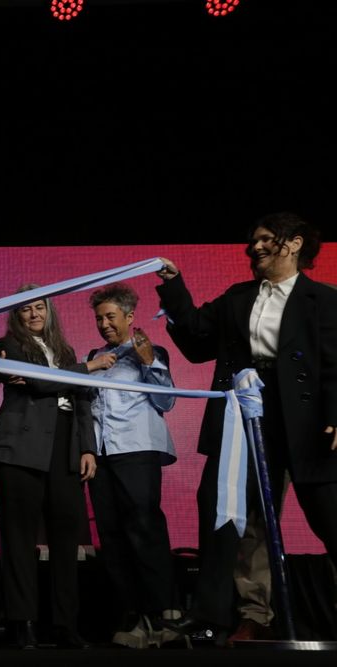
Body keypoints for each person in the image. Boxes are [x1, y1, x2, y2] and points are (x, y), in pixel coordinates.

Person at [157, 212, 337, 643]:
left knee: (331, 517)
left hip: (310, 425)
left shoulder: (324, 300)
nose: (253, 248)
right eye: (251, 241)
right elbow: (199, 338)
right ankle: (236, 616)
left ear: (293, 244)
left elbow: (334, 366)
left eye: (264, 240)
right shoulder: (238, 297)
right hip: (245, 419)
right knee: (236, 518)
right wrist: (174, 285)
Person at [0, 286, 112, 649]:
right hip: (21, 449)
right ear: (16, 315)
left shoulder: (66, 352)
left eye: (40, 307)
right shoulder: (8, 344)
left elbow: (82, 396)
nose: (35, 314)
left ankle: (64, 625)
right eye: (26, 309)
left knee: (66, 541)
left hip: (65, 447)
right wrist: (87, 368)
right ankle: (22, 623)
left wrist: (87, 447)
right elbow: (38, 382)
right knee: (19, 540)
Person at [85, 282, 182, 648]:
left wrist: (148, 362)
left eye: (110, 316)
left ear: (129, 317)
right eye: (99, 318)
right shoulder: (94, 356)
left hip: (137, 449)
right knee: (111, 536)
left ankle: (164, 615)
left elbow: (166, 402)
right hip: (103, 454)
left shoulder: (151, 351)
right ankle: (133, 616)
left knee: (144, 526)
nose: (104, 324)